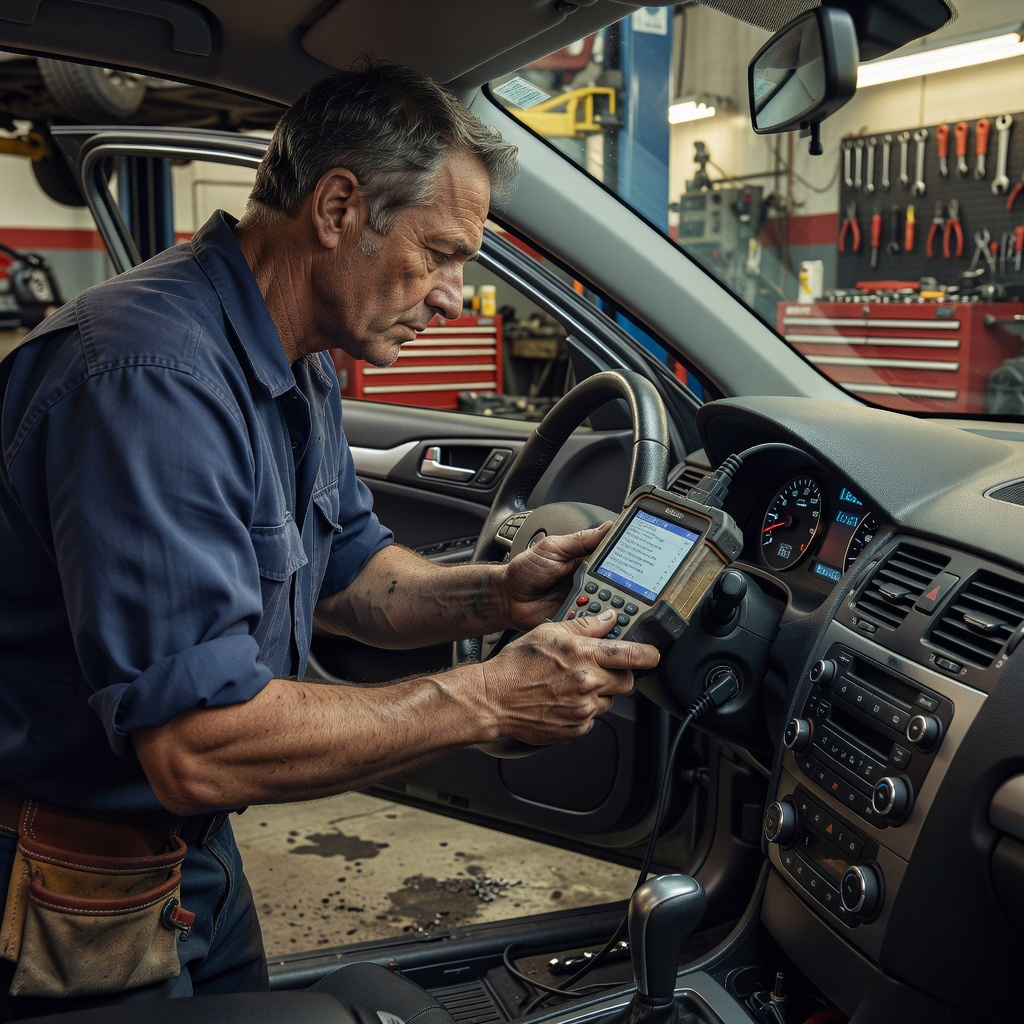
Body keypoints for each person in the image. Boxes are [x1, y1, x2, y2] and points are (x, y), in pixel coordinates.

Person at [0, 62, 659, 1018]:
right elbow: (198, 746)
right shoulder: (149, 379)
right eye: (439, 253)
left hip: (194, 861)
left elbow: (351, 574)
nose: (454, 297)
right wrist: (485, 696)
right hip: (67, 882)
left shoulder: (294, 356)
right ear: (340, 207)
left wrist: (498, 594)